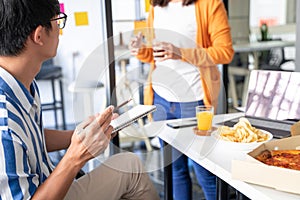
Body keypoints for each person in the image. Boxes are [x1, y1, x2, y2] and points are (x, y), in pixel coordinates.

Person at [0, 0, 159, 199]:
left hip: (47, 182)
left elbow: (30, 139)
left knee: (129, 164)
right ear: (38, 35)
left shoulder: (21, 82)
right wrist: (76, 156)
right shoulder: (4, 123)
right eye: (57, 20)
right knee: (132, 170)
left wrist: (80, 136)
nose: (59, 28)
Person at [129, 0, 234, 199]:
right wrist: (141, 50)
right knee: (175, 171)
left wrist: (181, 53)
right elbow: (156, 54)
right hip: (161, 99)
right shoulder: (156, 6)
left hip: (194, 100)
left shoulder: (210, 4)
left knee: (205, 173)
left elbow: (225, 52)